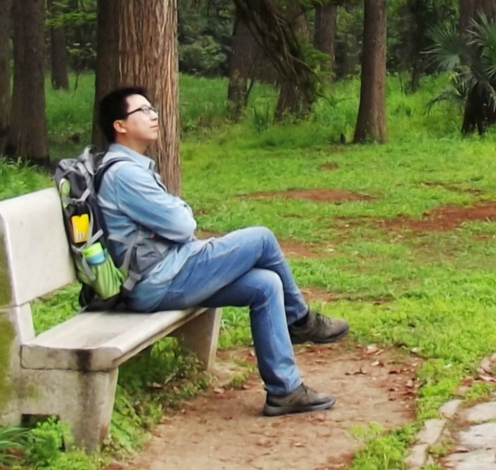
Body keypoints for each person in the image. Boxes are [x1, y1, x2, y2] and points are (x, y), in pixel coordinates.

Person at [92, 84, 346, 416]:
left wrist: (177, 213)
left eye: (153, 109)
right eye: (143, 111)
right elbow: (183, 225)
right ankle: (299, 319)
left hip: (170, 270)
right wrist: (179, 212)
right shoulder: (124, 174)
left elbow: (175, 219)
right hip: (157, 279)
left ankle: (284, 391)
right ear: (120, 126)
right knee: (262, 238)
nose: (154, 115)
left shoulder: (134, 167)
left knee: (266, 285)